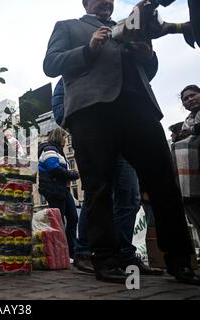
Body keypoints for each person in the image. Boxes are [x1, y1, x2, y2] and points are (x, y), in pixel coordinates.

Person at [43, 0, 199, 285]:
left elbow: (147, 72)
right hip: (91, 112)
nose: (107, 2)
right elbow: (51, 64)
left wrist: (147, 55)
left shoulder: (131, 27)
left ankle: (181, 261)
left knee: (164, 184)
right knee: (98, 188)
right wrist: (88, 48)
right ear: (86, 2)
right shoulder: (67, 27)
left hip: (139, 108)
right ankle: (105, 259)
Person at [52, 78, 162, 276]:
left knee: (130, 198)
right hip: (95, 136)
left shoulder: (118, 65)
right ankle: (84, 251)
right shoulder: (74, 72)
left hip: (125, 138)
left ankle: (124, 254)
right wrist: (76, 125)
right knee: (98, 193)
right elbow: (59, 106)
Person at [38, 127, 79, 258]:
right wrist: (73, 174)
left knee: (72, 218)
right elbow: (53, 168)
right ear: (59, 137)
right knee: (59, 222)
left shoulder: (58, 151)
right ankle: (60, 252)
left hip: (63, 190)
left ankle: (70, 251)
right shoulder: (50, 149)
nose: (66, 140)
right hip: (54, 190)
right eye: (64, 137)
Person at [171, 85, 200, 259]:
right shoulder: (187, 122)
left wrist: (193, 131)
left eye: (193, 95)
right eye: (185, 99)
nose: (189, 100)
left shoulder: (191, 126)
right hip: (191, 182)